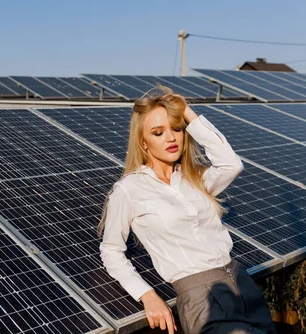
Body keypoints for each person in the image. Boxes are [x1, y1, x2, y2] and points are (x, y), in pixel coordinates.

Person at [98, 87, 276, 334]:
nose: (171, 138)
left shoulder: (195, 179)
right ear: (143, 142)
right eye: (158, 132)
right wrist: (147, 296)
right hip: (201, 297)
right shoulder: (129, 189)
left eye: (176, 128)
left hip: (241, 282)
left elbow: (231, 164)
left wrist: (187, 112)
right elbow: (111, 250)